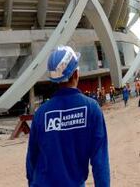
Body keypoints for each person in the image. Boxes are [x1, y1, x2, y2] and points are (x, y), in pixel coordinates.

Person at [26, 46, 110, 187]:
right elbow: (100, 161)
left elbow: (32, 159)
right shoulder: (91, 109)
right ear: (76, 74)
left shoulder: (41, 114)